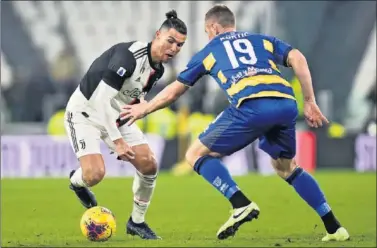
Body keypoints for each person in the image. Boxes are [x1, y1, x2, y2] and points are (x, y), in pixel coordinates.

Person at [120, 4, 350, 242]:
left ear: (213, 27)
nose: (209, 35)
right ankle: (334, 227)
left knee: (195, 154)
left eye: (208, 32)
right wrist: (309, 101)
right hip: (285, 103)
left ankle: (239, 203)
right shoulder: (262, 40)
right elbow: (297, 57)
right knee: (286, 167)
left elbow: (174, 91)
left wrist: (145, 107)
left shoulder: (209, 51)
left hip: (252, 105)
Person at [64, 10, 187, 240]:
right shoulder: (128, 56)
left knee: (149, 165)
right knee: (95, 174)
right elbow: (101, 100)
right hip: (85, 113)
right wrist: (118, 141)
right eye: (170, 41)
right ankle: (76, 181)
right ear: (157, 34)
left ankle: (137, 222)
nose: (174, 48)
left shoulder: (158, 69)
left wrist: (140, 105)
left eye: (179, 45)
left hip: (117, 116)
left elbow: (131, 94)